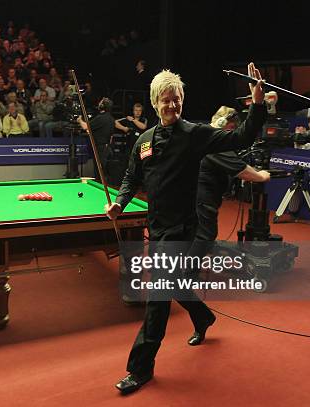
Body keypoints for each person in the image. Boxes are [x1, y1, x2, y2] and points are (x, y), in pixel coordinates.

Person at [107, 63, 267, 395]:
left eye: (176, 99)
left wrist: (257, 104)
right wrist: (120, 203)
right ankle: (204, 317)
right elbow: (130, 178)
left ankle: (140, 369)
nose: (171, 106)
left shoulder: (196, 135)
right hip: (158, 227)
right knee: (176, 287)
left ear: (182, 100)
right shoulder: (144, 141)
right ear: (155, 102)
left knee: (158, 298)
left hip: (183, 229)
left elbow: (242, 136)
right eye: (165, 100)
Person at [188, 106, 271, 274]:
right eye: (231, 129)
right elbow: (241, 170)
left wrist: (254, 171)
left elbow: (236, 162)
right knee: (205, 235)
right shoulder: (214, 140)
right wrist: (261, 176)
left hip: (196, 194)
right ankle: (188, 274)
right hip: (202, 196)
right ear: (222, 123)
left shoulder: (206, 135)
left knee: (195, 232)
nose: (232, 136)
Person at [78, 97, 116, 179]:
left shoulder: (101, 118)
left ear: (103, 105)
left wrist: (80, 120)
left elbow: (85, 126)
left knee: (100, 173)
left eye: (100, 102)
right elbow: (111, 136)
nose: (99, 103)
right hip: (106, 147)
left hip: (100, 148)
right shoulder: (111, 118)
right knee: (102, 172)